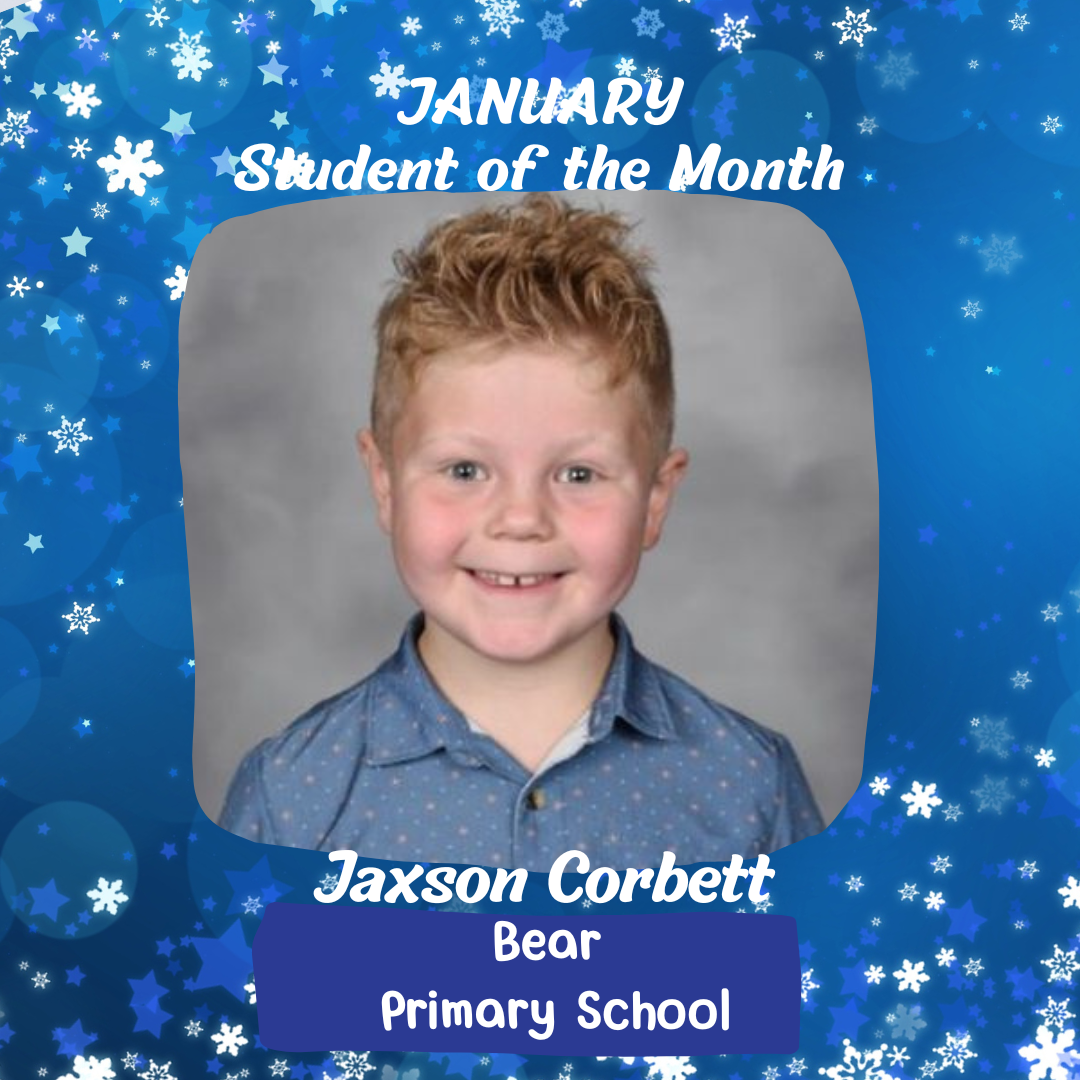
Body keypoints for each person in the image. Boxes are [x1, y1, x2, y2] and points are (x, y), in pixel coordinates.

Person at [219, 194, 824, 869]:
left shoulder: (749, 787)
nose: (521, 521)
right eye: (466, 468)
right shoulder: (290, 798)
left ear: (656, 497)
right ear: (384, 482)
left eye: (578, 475)